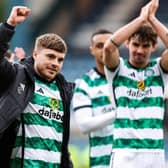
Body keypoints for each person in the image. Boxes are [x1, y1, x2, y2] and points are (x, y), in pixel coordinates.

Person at [0, 6, 74, 168]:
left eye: (60, 60)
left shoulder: (64, 91)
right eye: (50, 56)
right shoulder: (17, 76)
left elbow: (62, 143)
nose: (55, 63)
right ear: (35, 54)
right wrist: (9, 24)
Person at [103, 0, 168, 168]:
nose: (139, 50)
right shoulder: (118, 68)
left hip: (155, 153)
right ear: (127, 43)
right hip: (125, 153)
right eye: (135, 44)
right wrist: (141, 19)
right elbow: (109, 48)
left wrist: (152, 19)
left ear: (154, 46)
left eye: (145, 46)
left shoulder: (159, 69)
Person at [72, 29, 116, 168]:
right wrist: (119, 113)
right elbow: (84, 125)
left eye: (109, 45)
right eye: (99, 46)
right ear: (91, 50)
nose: (105, 50)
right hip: (102, 162)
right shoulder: (85, 84)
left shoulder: (129, 77)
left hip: (133, 161)